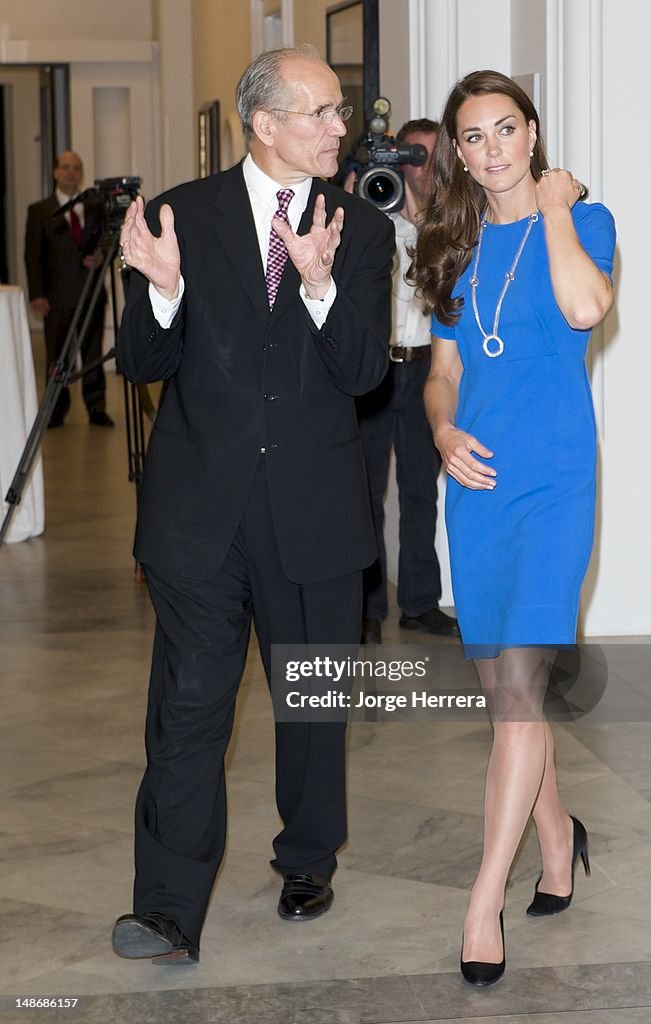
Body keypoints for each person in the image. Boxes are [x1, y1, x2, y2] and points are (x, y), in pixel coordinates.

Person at [111, 45, 394, 965]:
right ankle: (164, 907)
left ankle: (307, 857)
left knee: (310, 702)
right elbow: (142, 366)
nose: (338, 127)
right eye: (318, 112)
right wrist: (161, 292)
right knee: (188, 707)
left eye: (338, 113)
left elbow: (360, 374)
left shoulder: (358, 224)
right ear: (263, 123)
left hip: (311, 507)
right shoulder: (176, 217)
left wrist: (318, 286)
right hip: (200, 513)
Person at [413, 70, 615, 986]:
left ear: (530, 135)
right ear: (456, 151)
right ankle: (556, 838)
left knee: (521, 698)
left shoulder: (589, 222)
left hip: (554, 486)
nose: (490, 148)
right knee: (508, 703)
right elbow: (442, 374)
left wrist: (557, 208)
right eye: (472, 136)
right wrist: (443, 429)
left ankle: (482, 899)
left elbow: (583, 309)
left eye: (505, 129)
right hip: (478, 485)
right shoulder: (451, 248)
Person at [349, 120, 459, 645]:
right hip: (377, 371)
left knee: (420, 492)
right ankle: (367, 607)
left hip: (425, 370)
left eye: (433, 158)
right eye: (414, 158)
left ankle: (419, 602)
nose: (424, 170)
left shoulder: (452, 221)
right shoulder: (371, 213)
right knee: (366, 494)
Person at [24, 151, 114, 428]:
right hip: (57, 298)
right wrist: (37, 294)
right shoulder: (40, 211)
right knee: (57, 359)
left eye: (76, 168)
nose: (71, 173)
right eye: (65, 168)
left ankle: (96, 408)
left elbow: (109, 241)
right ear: (55, 172)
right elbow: (33, 256)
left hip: (90, 294)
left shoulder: (96, 207)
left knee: (93, 356)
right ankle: (55, 410)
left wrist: (102, 256)